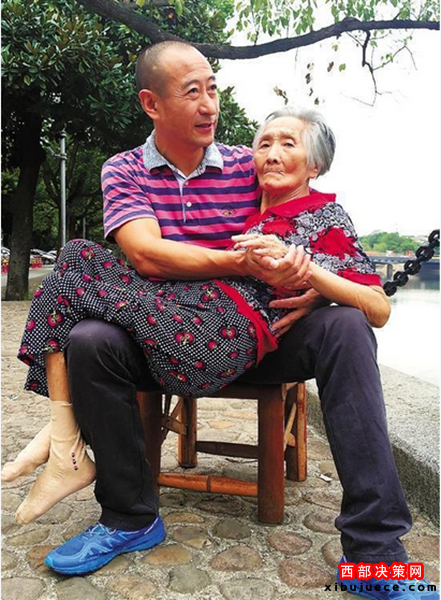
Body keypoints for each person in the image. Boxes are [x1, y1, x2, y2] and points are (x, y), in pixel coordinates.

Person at [2, 42, 434, 600]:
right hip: (170, 325)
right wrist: (249, 263)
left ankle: (377, 556)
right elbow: (146, 256)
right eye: (193, 92)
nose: (211, 105)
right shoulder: (127, 169)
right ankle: (127, 516)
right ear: (152, 104)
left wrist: (314, 288)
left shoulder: (251, 170)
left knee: (347, 328)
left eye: (213, 89)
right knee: (88, 333)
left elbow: (347, 269)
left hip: (249, 334)